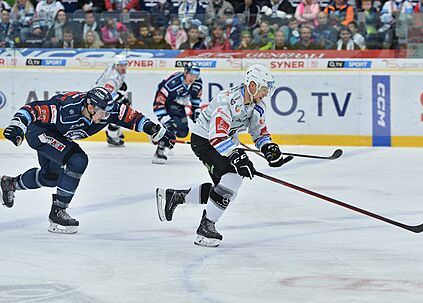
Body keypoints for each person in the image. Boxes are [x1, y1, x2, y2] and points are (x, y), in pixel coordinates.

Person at [1, 87, 175, 234]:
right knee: (77, 160)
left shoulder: (107, 110)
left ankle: (11, 184)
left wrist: (155, 130)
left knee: (51, 177)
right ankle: (58, 211)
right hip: (40, 132)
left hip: (57, 136)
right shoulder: (65, 108)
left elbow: (132, 117)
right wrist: (18, 125)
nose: (105, 117)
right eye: (102, 113)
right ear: (90, 106)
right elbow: (33, 109)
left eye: (107, 112)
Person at [155, 64, 286, 247]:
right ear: (253, 85)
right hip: (204, 141)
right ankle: (206, 228)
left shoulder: (258, 106)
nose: (266, 94)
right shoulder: (226, 101)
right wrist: (237, 156)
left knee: (226, 192)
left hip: (223, 142)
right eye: (264, 89)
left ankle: (176, 196)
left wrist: (269, 149)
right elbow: (216, 136)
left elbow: (260, 133)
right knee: (232, 180)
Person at [152, 62, 202, 164]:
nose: (193, 78)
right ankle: (159, 151)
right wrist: (164, 119)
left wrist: (196, 111)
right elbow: (158, 103)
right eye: (191, 75)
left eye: (196, 76)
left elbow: (196, 98)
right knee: (172, 125)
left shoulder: (198, 83)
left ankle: (156, 132)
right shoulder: (171, 84)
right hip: (167, 104)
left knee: (183, 132)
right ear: (185, 72)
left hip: (179, 105)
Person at [95, 54, 130, 147]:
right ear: (116, 65)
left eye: (125, 64)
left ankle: (114, 132)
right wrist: (120, 97)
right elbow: (107, 93)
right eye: (121, 65)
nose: (123, 67)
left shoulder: (117, 71)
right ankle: (112, 136)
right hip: (100, 98)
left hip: (100, 95)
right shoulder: (113, 77)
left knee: (121, 110)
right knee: (118, 113)